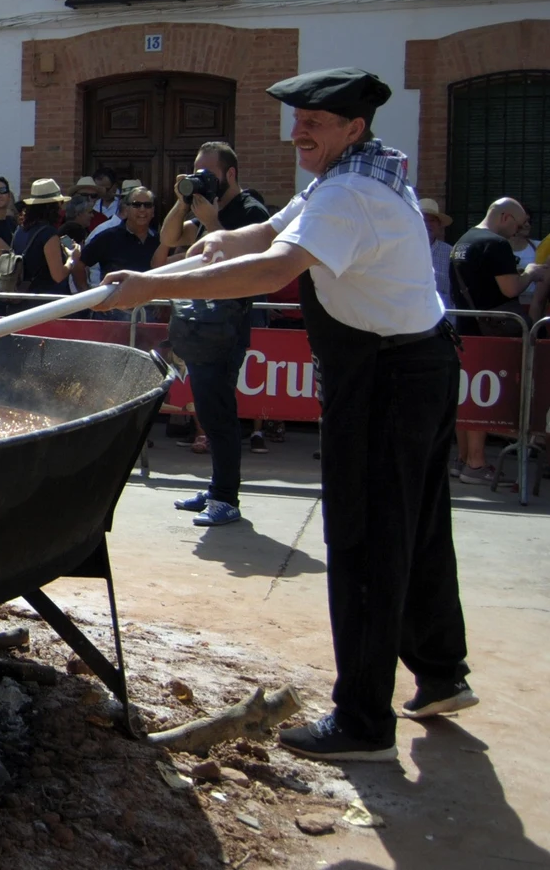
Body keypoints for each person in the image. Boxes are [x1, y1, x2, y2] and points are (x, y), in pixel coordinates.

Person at [104, 67, 473, 763]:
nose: (299, 131)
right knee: (418, 523)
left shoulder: (352, 193)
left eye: (316, 122)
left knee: (364, 536)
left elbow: (272, 271)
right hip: (414, 362)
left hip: (386, 374)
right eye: (298, 118)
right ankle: (442, 673)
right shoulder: (347, 176)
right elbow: (270, 232)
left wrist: (151, 285)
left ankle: (363, 718)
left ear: (353, 130)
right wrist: (220, 240)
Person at [157, 142, 272, 523]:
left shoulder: (250, 211)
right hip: (201, 324)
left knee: (219, 413)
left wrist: (211, 223)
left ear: (231, 174)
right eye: (196, 173)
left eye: (208, 174)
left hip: (228, 326)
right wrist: (181, 201)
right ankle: (216, 489)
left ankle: (226, 499)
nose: (201, 180)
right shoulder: (206, 206)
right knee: (207, 409)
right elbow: (170, 238)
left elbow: (253, 262)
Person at [447, 197, 543, 484]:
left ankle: (463, 460)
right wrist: (531, 273)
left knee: (466, 396)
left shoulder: (463, 240)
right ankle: (476, 464)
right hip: (491, 332)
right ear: (504, 217)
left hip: (464, 328)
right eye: (517, 223)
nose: (517, 231)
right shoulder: (496, 244)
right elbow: (510, 288)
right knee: (482, 399)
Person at [81, 184, 167, 317]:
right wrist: (88, 297)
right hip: (113, 314)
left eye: (147, 205)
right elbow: (79, 265)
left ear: (153, 211)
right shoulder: (108, 237)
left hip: (150, 313)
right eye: (136, 205)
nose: (142, 209)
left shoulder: (161, 241)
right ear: (126, 209)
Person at [14, 179, 78, 296]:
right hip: (46, 302)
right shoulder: (49, 233)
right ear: (54, 206)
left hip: (23, 299)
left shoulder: (20, 230)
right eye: (61, 202)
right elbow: (58, 276)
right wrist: (72, 258)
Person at [420, 198, 452, 307]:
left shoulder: (450, 253)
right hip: (412, 319)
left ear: (439, 225)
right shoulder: (402, 251)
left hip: (443, 319)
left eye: (432, 220)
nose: (428, 224)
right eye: (424, 220)